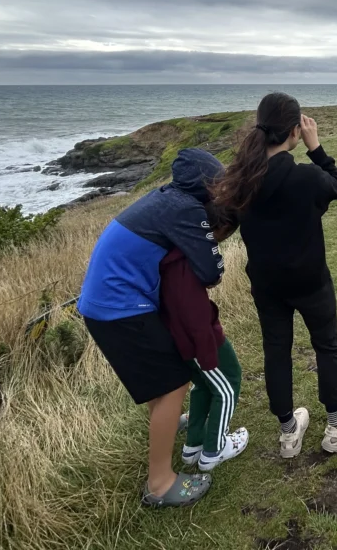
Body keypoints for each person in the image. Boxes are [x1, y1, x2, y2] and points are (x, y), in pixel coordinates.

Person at [212, 92, 337, 458]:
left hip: (267, 286)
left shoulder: (242, 180)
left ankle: (288, 433)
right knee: (327, 346)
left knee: (276, 352)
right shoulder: (306, 178)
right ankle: (335, 426)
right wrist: (316, 147)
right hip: (311, 281)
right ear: (295, 131)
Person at [77, 148, 225, 507]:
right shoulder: (186, 209)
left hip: (104, 303)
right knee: (174, 383)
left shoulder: (164, 197)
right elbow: (210, 271)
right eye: (218, 184)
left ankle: (166, 425)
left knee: (163, 383)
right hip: (120, 308)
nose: (221, 191)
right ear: (205, 185)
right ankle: (159, 484)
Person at [158, 234, 248, 472]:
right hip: (200, 340)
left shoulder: (164, 259)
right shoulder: (182, 265)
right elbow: (193, 310)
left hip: (180, 339)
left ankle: (194, 444)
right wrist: (207, 352)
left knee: (204, 386)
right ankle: (214, 449)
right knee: (228, 384)